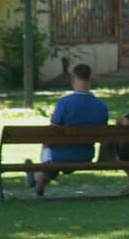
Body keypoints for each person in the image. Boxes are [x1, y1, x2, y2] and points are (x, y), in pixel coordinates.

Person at [29, 63, 109, 196]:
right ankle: (39, 178)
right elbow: (104, 134)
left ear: (73, 80)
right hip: (86, 155)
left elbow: (52, 131)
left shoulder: (64, 103)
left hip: (61, 155)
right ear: (90, 80)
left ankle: (39, 175)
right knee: (51, 147)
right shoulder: (101, 106)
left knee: (47, 142)